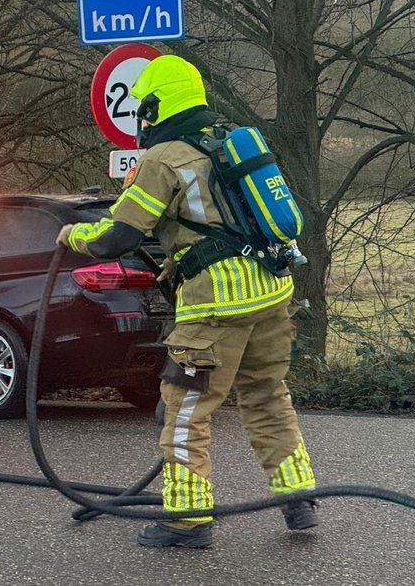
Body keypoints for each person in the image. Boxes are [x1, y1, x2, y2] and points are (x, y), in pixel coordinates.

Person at [57, 55, 317, 548]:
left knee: (185, 409)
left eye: (144, 108)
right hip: (271, 291)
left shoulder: (163, 159)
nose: (142, 118)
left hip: (216, 304)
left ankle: (186, 520)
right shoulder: (228, 141)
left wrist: (73, 236)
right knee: (267, 395)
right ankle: (297, 498)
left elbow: (118, 236)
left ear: (156, 105)